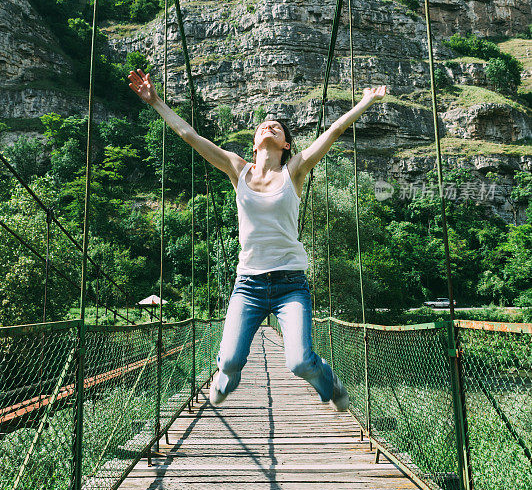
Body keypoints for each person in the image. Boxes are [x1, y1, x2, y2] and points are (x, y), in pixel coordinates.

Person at [128, 68, 387, 410]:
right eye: (263, 125)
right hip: (248, 283)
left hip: (290, 284)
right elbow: (189, 135)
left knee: (298, 362)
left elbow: (334, 131)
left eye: (277, 127)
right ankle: (225, 375)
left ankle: (329, 382)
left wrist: (365, 101)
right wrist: (155, 101)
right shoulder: (238, 169)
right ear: (254, 143)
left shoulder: (294, 171)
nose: (269, 126)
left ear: (286, 143)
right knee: (231, 362)